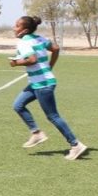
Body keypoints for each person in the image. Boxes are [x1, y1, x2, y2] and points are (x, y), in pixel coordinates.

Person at [9, 16, 87, 161]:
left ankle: (76, 145)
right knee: (18, 105)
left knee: (53, 116)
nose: (14, 28)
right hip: (39, 82)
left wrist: (16, 62)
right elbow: (55, 49)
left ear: (24, 30)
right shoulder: (38, 38)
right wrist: (50, 66)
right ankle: (36, 133)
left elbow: (32, 59)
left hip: (42, 84)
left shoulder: (24, 42)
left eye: (17, 26)